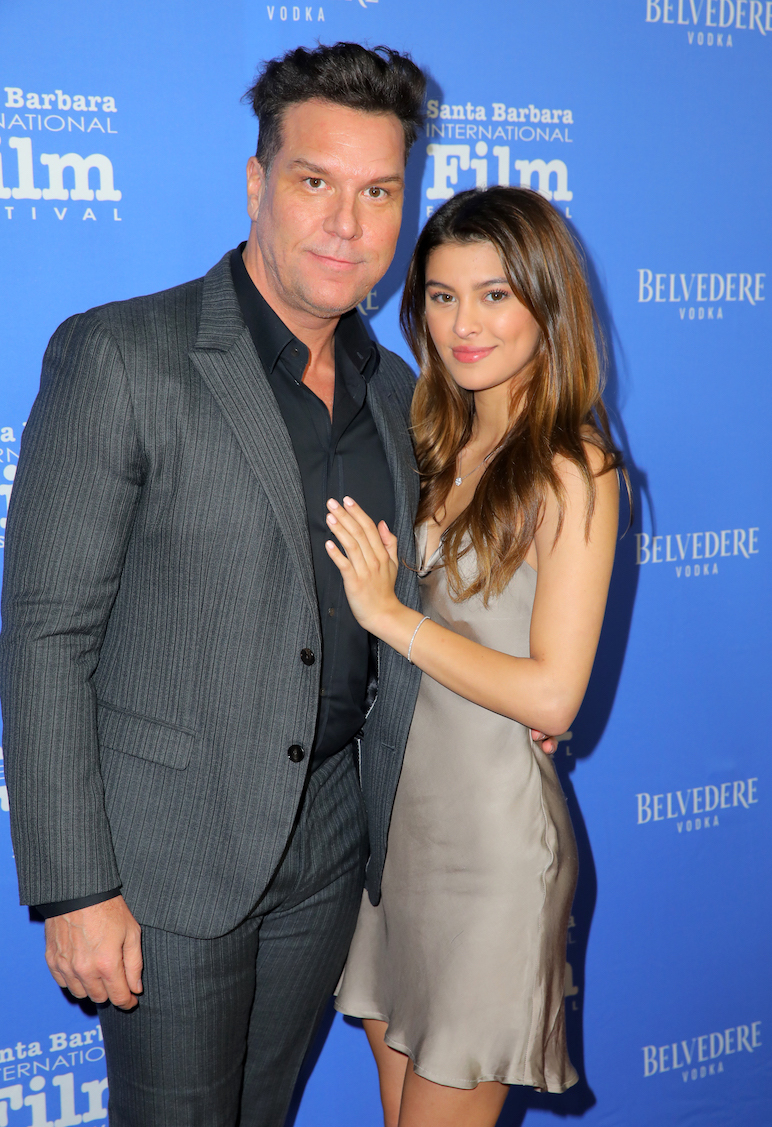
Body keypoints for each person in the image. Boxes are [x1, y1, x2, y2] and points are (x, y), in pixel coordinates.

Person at [0, 43, 427, 1127]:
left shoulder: (398, 393)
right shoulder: (122, 355)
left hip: (331, 841)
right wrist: (77, 886)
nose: (346, 223)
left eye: (379, 191)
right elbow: (44, 632)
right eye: (314, 180)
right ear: (255, 183)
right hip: (166, 859)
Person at [328, 186, 624, 1127]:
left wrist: (390, 617)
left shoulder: (572, 464)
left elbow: (555, 696)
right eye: (443, 296)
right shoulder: (430, 436)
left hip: (490, 857)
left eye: (495, 295)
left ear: (547, 302)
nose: (465, 325)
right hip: (394, 840)